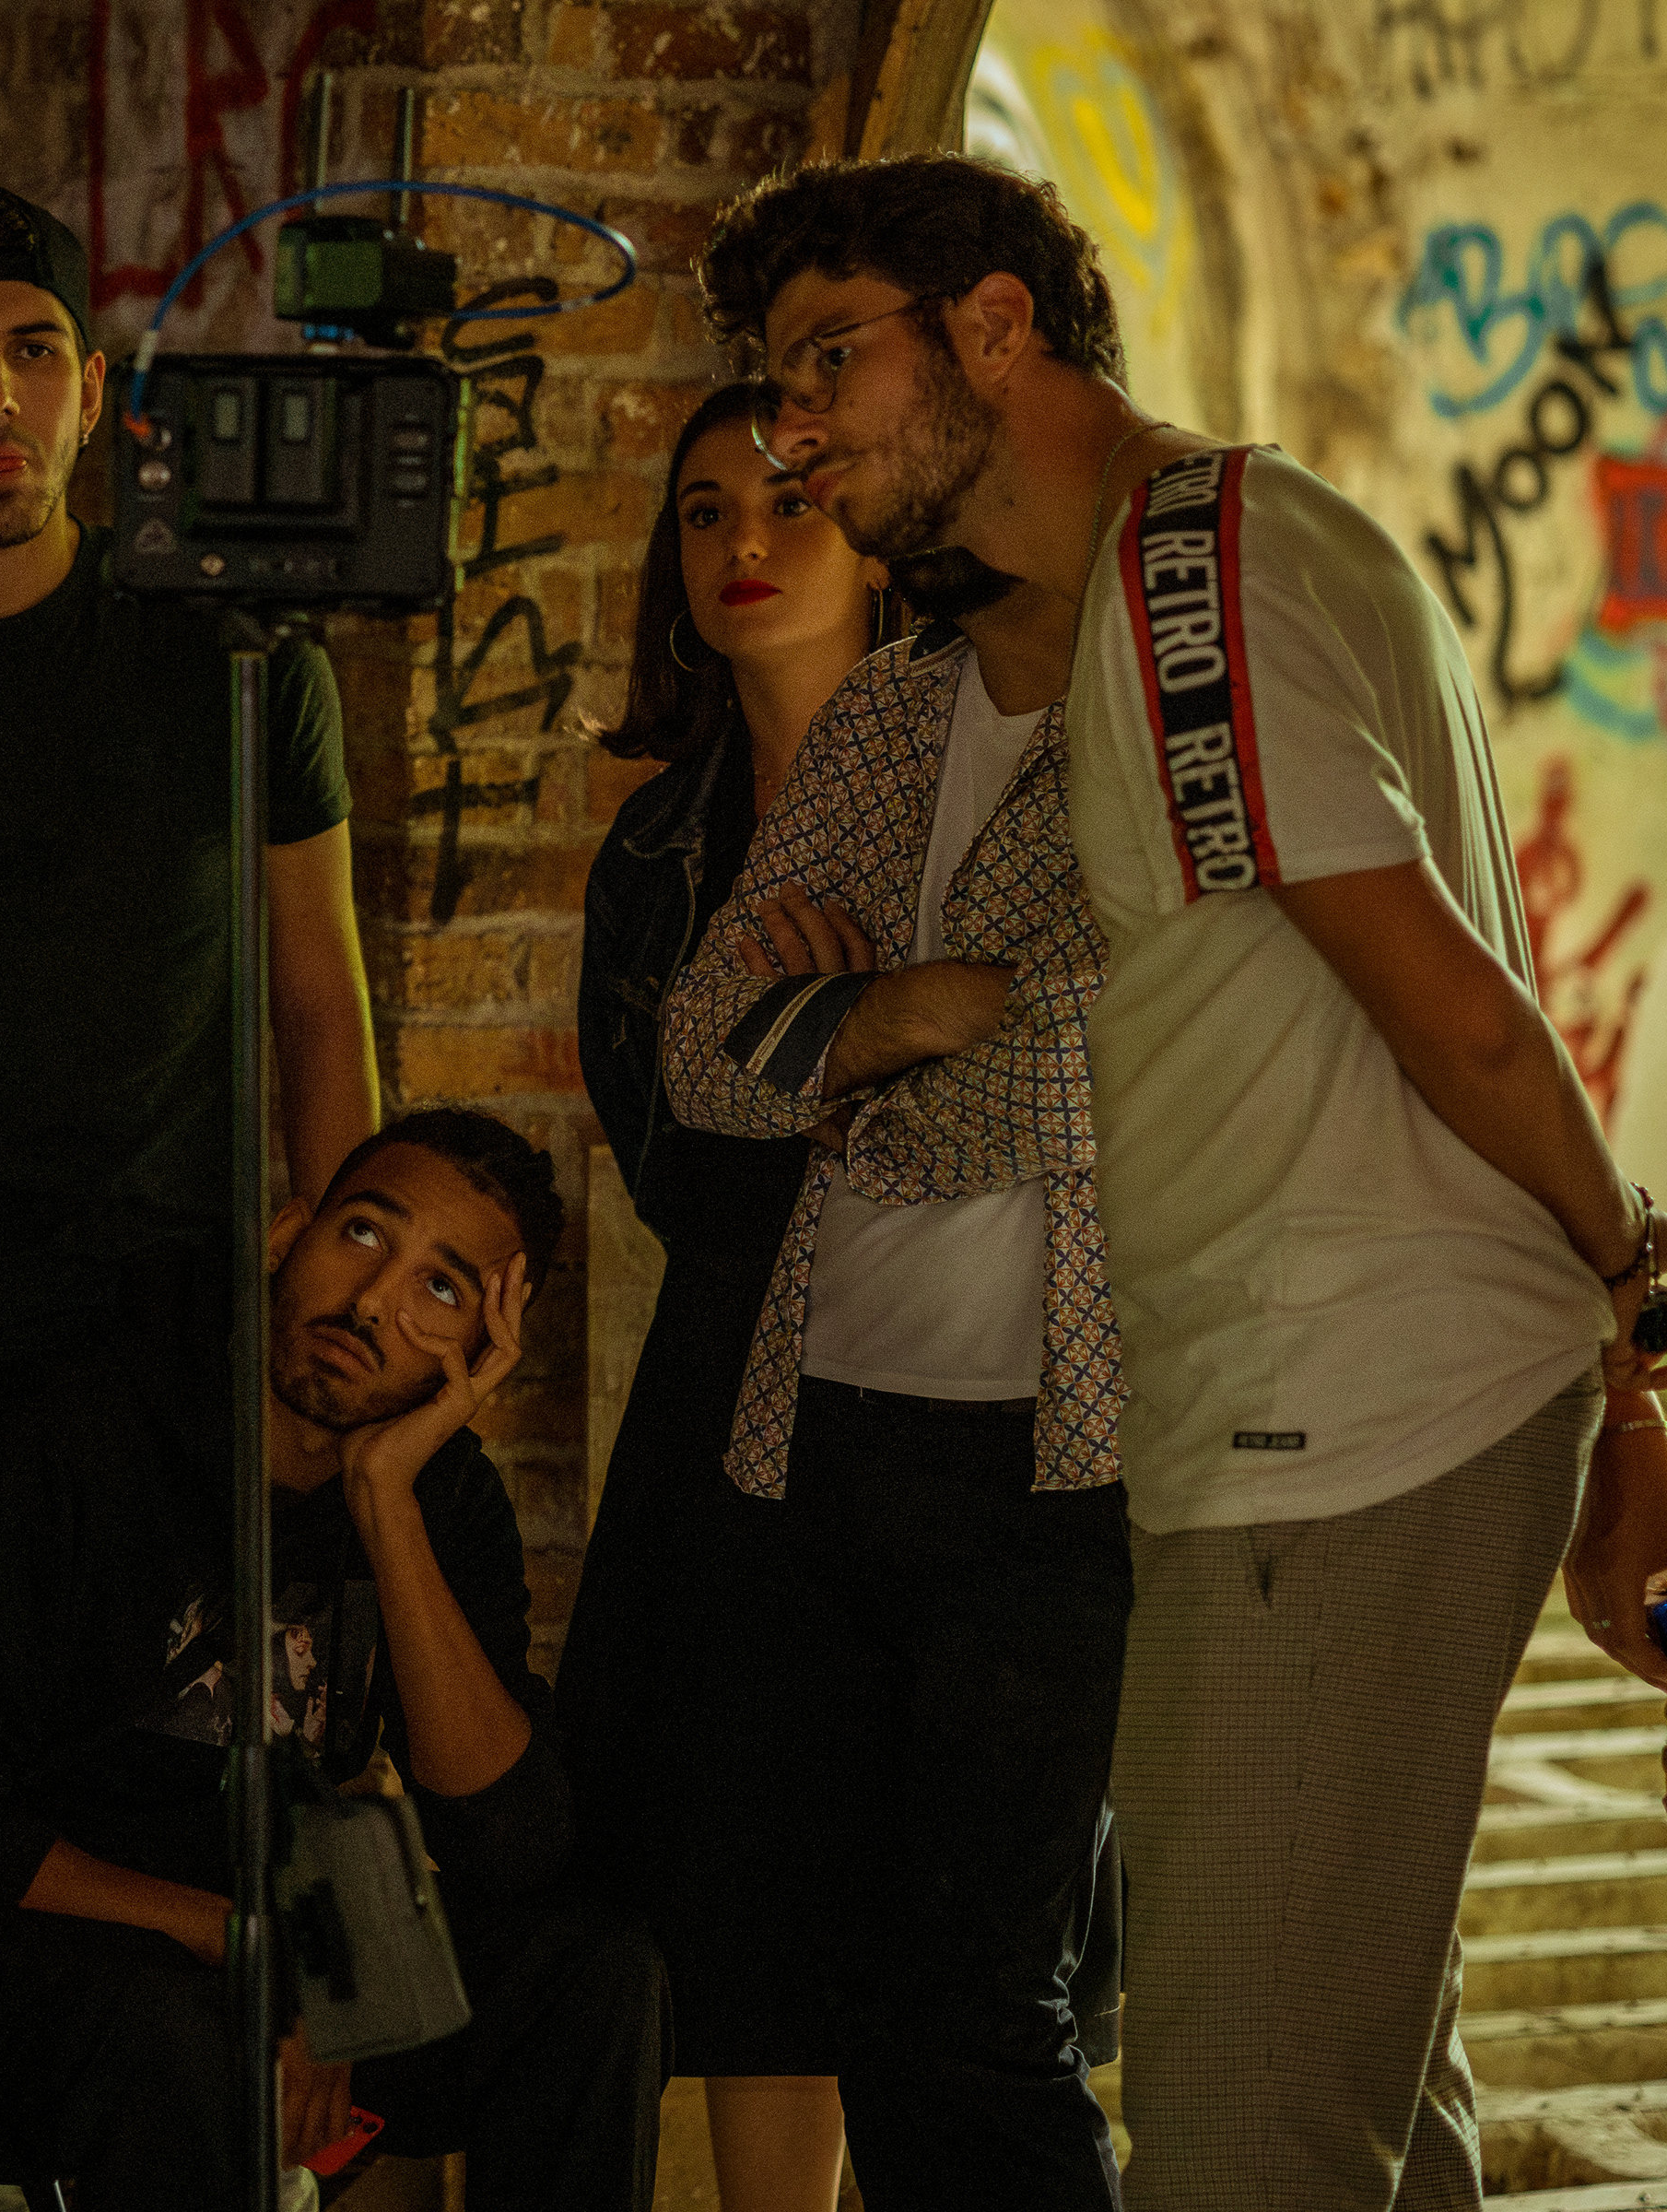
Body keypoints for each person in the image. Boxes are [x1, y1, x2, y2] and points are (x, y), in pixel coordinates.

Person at [701, 154, 1667, 2210]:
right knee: (1352, 2109)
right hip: (1298, 1425)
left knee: (1243, 2135)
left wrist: (1635, 1296)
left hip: (1333, 1424)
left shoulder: (1196, 586)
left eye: (825, 363)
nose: (791, 433)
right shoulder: (1189, 567)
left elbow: (1459, 1014)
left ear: (995, 327)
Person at [0, 1110, 667, 2209]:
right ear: (288, 1234)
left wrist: (384, 1501)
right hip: (13, 1942)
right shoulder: (59, 1432)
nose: (373, 1303)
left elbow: (509, 1842)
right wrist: (247, 1948)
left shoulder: (441, 1500)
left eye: (441, 1290)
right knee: (176, 2034)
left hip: (275, 1934)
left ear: (484, 1348)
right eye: (364, 1234)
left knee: (591, 1974)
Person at [639, 371, 1132, 2195]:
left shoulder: (1145, 725)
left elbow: (1086, 1058)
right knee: (844, 1982)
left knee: (986, 2010)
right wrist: (917, 1012)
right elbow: (701, 1051)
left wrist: (842, 1042)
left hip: (1053, 1454)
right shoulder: (891, 715)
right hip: (816, 1435)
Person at [0, 187, 380, 1672]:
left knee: (154, 1756)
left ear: (94, 388)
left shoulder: (230, 646)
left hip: (164, 1340)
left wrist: (341, 1299)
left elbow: (319, 997)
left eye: (36, 350)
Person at [562, 380, 900, 2211]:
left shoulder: (978, 787)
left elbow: (1018, 1098)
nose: (744, 544)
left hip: (935, 1366)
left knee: (910, 1868)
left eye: (790, 501)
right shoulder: (654, 852)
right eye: (704, 512)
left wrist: (845, 1051)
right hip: (725, 1361)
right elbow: (672, 1160)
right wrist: (808, 1057)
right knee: (743, 1864)